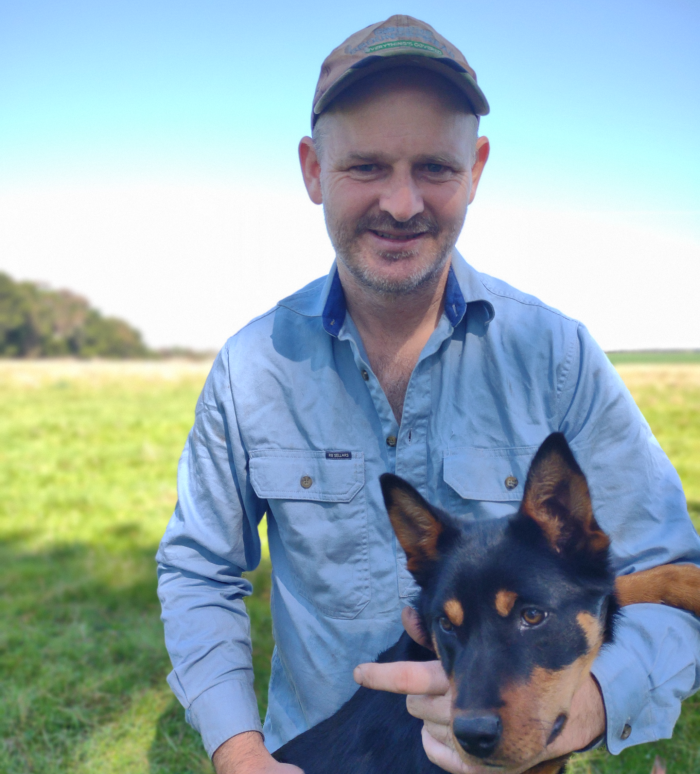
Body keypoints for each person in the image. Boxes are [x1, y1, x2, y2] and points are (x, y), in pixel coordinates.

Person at [156, 15, 700, 774]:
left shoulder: (557, 357)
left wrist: (589, 707)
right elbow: (199, 572)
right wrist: (243, 756)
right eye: (366, 166)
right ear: (313, 170)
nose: (403, 203)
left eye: (436, 168)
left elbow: (672, 576)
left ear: (475, 169)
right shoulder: (252, 368)